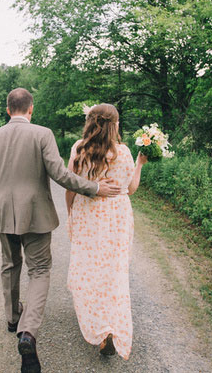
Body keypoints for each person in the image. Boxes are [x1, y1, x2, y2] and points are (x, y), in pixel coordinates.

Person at [0, 88, 121, 373]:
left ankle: (12, 318)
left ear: (7, 110)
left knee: (10, 264)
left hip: (3, 212)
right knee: (39, 270)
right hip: (37, 213)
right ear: (31, 109)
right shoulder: (43, 134)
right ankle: (27, 333)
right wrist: (94, 188)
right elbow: (60, 174)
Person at [65, 103, 148, 360]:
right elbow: (130, 189)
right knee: (114, 271)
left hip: (89, 214)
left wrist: (70, 211)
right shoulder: (123, 153)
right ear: (115, 125)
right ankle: (111, 326)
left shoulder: (80, 149)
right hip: (118, 218)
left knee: (89, 268)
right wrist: (140, 163)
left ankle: (99, 325)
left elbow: (71, 186)